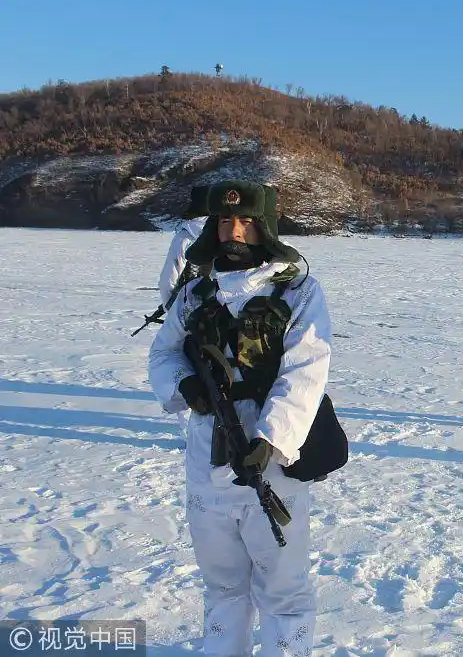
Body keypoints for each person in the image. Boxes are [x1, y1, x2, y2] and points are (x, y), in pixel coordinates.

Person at [148, 181, 331, 657]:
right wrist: (184, 386)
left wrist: (271, 440)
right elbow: (164, 354)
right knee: (223, 589)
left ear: (265, 226)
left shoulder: (298, 291)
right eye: (225, 221)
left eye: (247, 221)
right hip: (206, 464)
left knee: (284, 595)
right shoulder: (194, 290)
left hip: (271, 468)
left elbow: (306, 371)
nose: (234, 230)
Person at [157, 185, 211, 436]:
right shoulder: (224, 232)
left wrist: (173, 313)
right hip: (220, 316)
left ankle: (192, 434)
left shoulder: (185, 236)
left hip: (188, 316)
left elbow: (168, 281)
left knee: (182, 370)